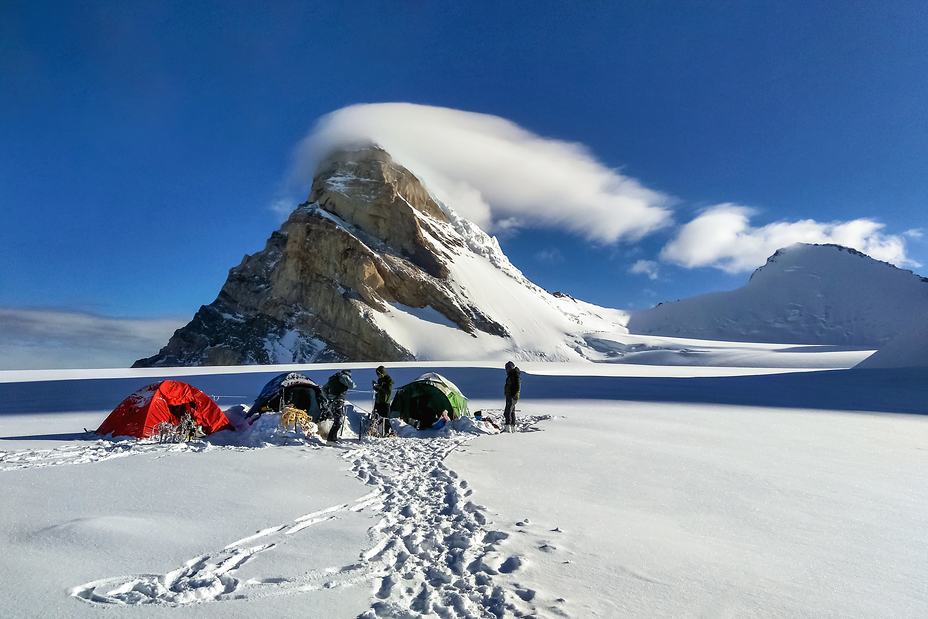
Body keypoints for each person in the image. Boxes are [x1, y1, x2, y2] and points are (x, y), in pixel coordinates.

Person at [323, 369, 355, 443]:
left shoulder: (334, 378)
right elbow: (352, 385)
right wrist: (347, 380)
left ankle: (333, 438)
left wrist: (328, 397)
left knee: (336, 420)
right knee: (338, 421)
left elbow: (324, 389)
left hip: (332, 401)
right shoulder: (344, 377)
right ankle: (331, 440)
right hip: (338, 401)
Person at [371, 365, 394, 436]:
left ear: (382, 373)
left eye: (379, 374)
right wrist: (375, 387)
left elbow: (388, 391)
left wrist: (380, 387)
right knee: (375, 417)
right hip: (378, 400)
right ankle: (374, 431)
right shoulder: (380, 380)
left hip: (385, 402)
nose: (378, 376)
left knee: (385, 418)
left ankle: (389, 432)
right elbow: (379, 390)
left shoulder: (389, 381)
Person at [504, 361, 521, 433]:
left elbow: (517, 386)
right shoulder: (512, 375)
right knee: (512, 412)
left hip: (511, 396)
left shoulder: (514, 375)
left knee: (507, 412)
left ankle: (508, 428)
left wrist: (512, 395)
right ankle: (513, 427)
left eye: (507, 368)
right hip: (510, 395)